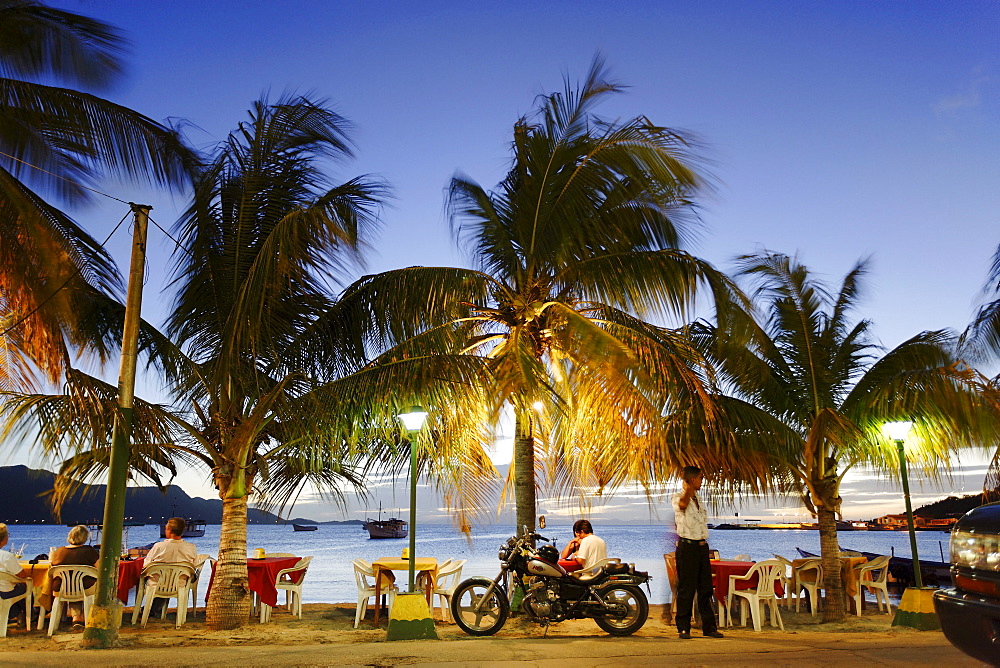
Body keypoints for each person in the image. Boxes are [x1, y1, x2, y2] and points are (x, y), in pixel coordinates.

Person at [672, 466, 724, 639]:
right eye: (700, 478)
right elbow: (682, 505)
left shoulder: (699, 498)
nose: (702, 481)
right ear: (692, 479)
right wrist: (687, 489)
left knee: (705, 588)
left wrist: (692, 492)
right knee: (687, 588)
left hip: (702, 547)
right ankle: (683, 628)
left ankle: (709, 628)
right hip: (687, 547)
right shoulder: (678, 497)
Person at [144, 517, 199, 616]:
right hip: (179, 584)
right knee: (170, 579)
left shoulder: (158, 546)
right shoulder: (191, 547)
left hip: (157, 584)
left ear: (169, 530)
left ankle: (147, 609)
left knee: (148, 578)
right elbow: (194, 567)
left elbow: (146, 565)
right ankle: (153, 609)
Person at [48, 525, 99, 628]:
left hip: (61, 588)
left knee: (73, 586)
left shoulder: (59, 551)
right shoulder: (89, 551)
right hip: (85, 588)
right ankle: (87, 616)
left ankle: (76, 617)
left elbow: (52, 566)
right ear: (85, 537)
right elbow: (100, 568)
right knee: (86, 585)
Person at [0, 523, 30, 627]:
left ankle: (17, 614)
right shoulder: (6, 556)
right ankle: (26, 615)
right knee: (25, 587)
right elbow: (22, 575)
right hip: (5, 592)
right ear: (4, 538)